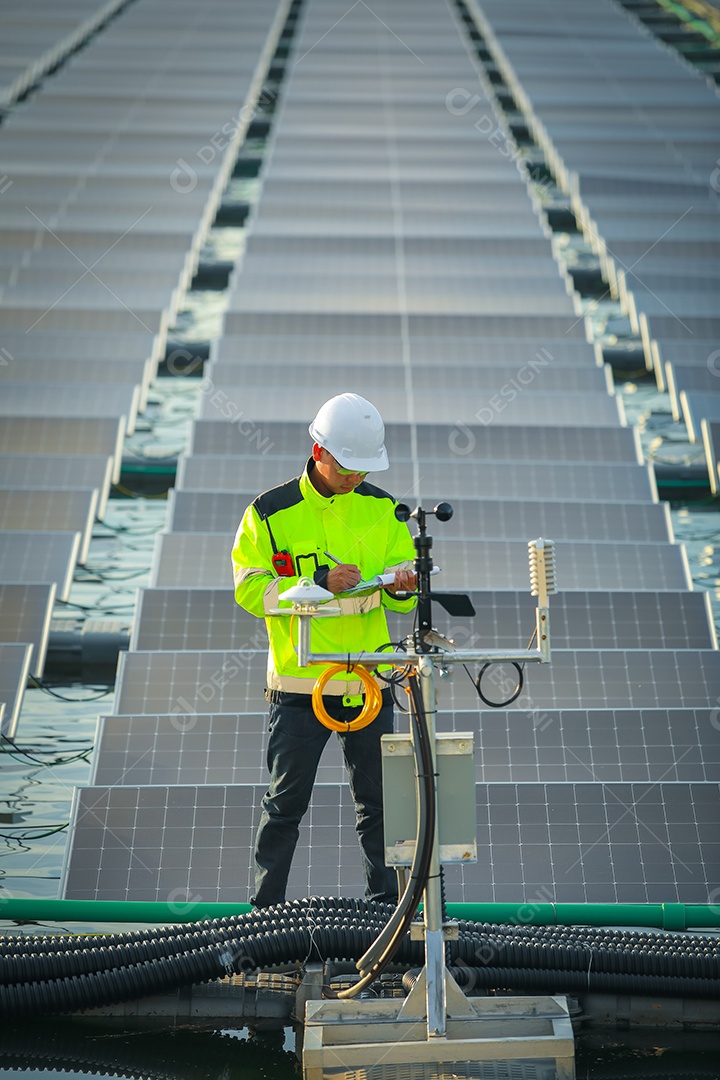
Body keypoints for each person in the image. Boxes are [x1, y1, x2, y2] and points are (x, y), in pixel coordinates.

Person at [231, 393, 417, 907]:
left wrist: (404, 586)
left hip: (368, 681)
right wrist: (316, 581)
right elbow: (249, 588)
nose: (355, 478)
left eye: (362, 469)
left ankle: (387, 918)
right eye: (347, 468)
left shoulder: (383, 508)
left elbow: (407, 584)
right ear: (319, 452)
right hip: (299, 683)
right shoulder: (269, 512)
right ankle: (264, 920)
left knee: (378, 806)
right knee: (285, 805)